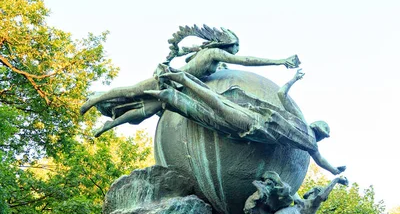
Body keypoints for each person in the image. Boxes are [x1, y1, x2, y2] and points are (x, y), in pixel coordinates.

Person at [80, 25, 300, 137]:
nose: (236, 52)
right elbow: (246, 61)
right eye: (234, 48)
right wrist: (279, 61)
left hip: (180, 87)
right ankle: (93, 100)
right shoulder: (213, 54)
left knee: (145, 111)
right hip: (169, 79)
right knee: (131, 92)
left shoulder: (208, 56)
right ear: (226, 46)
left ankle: (110, 125)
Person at [145, 68, 346, 176]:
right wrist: (334, 170)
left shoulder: (300, 121)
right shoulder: (310, 142)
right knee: (216, 110)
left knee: (214, 111)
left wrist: (294, 79)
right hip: (255, 126)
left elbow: (281, 93)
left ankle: (173, 92)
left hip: (256, 120)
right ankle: (179, 84)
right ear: (319, 133)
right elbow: (321, 160)